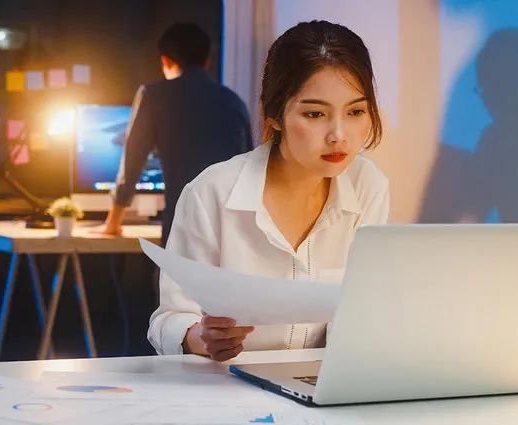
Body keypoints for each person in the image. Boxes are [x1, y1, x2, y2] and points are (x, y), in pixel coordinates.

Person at [148, 20, 390, 362]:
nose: (339, 135)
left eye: (355, 111)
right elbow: (169, 318)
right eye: (315, 113)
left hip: (323, 390)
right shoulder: (211, 193)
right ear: (273, 114)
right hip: (227, 390)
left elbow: (364, 312)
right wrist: (200, 337)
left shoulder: (368, 186)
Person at [99, 22, 253, 244]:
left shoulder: (153, 96)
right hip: (231, 234)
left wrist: (113, 223)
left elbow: (132, 164)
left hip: (183, 229)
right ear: (207, 61)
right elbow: (250, 170)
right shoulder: (233, 101)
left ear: (166, 61)